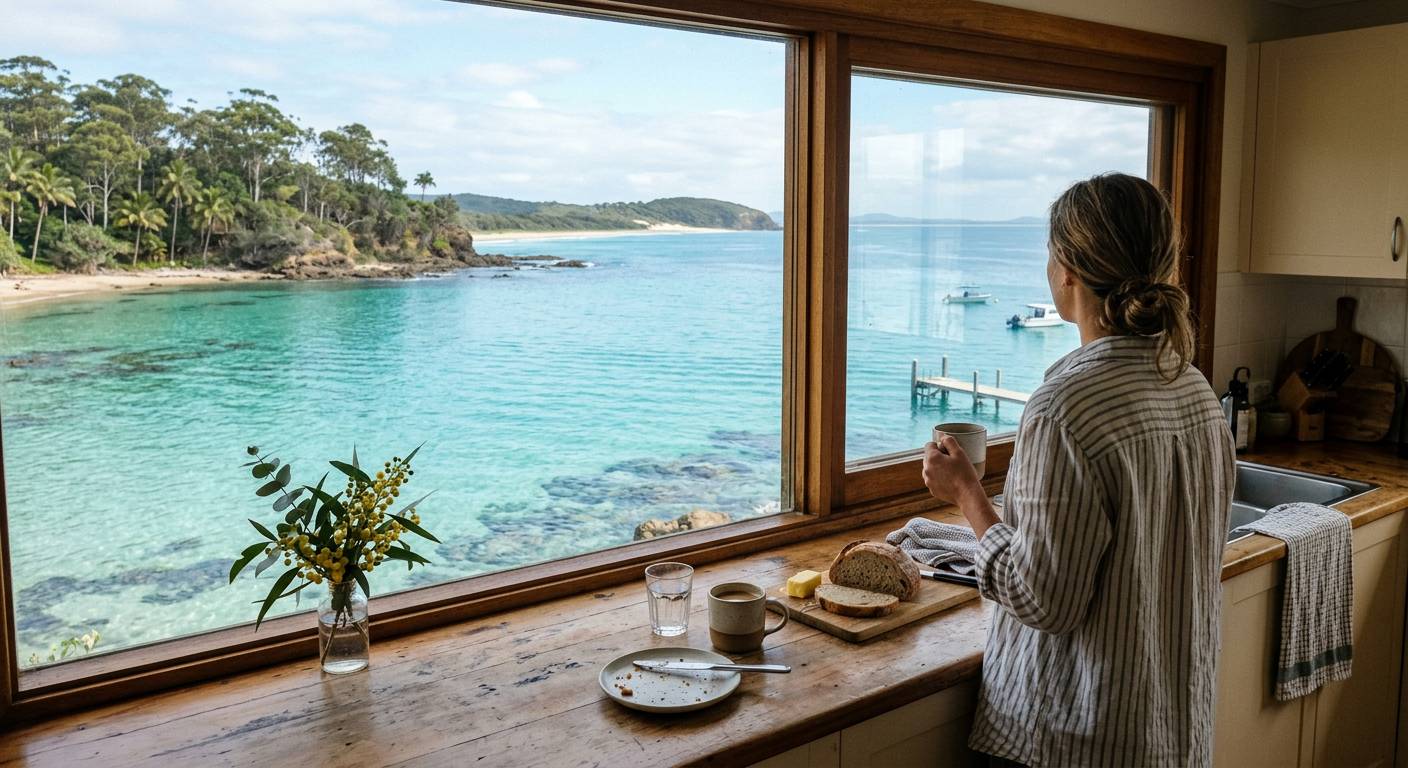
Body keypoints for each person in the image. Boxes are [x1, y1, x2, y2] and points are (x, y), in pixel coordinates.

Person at [922, 172, 1235, 767]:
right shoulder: (1192, 387)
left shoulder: (1066, 406)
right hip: (1169, 728)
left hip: (1073, 738)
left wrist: (967, 495)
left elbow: (1044, 601)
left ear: (1066, 268)